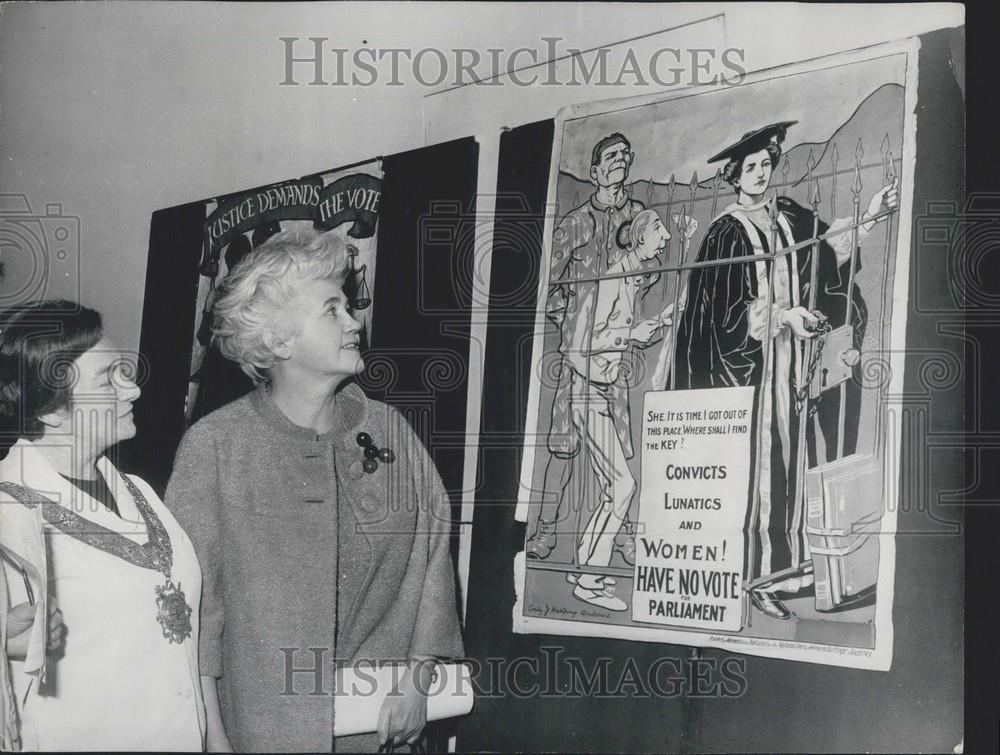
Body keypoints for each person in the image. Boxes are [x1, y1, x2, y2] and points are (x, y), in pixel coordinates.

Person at [165, 229, 464, 752]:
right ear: (279, 341)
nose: (355, 321)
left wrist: (418, 681)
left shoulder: (390, 431)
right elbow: (194, 610)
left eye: (349, 306)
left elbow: (433, 556)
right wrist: (211, 734)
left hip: (380, 725)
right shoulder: (215, 447)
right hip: (259, 725)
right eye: (333, 309)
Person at [674, 122, 898, 619]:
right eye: (749, 166)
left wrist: (871, 215)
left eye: (765, 164)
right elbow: (728, 313)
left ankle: (792, 567)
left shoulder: (787, 216)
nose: (759, 173)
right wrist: (783, 316)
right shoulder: (727, 231)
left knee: (795, 462)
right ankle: (756, 578)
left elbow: (826, 254)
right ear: (734, 175)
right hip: (751, 371)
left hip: (794, 366)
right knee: (763, 471)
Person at [0, 300, 222, 750]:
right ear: (51, 410)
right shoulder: (8, 514)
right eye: (108, 379)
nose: (133, 390)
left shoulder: (141, 492)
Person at [525, 132, 647, 570]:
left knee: (613, 444)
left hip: (612, 359)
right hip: (578, 360)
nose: (618, 161)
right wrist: (573, 322)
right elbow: (548, 285)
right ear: (595, 171)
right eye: (609, 157)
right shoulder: (575, 223)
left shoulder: (638, 218)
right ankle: (545, 529)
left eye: (623, 156)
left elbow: (647, 273)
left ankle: (624, 535)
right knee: (564, 445)